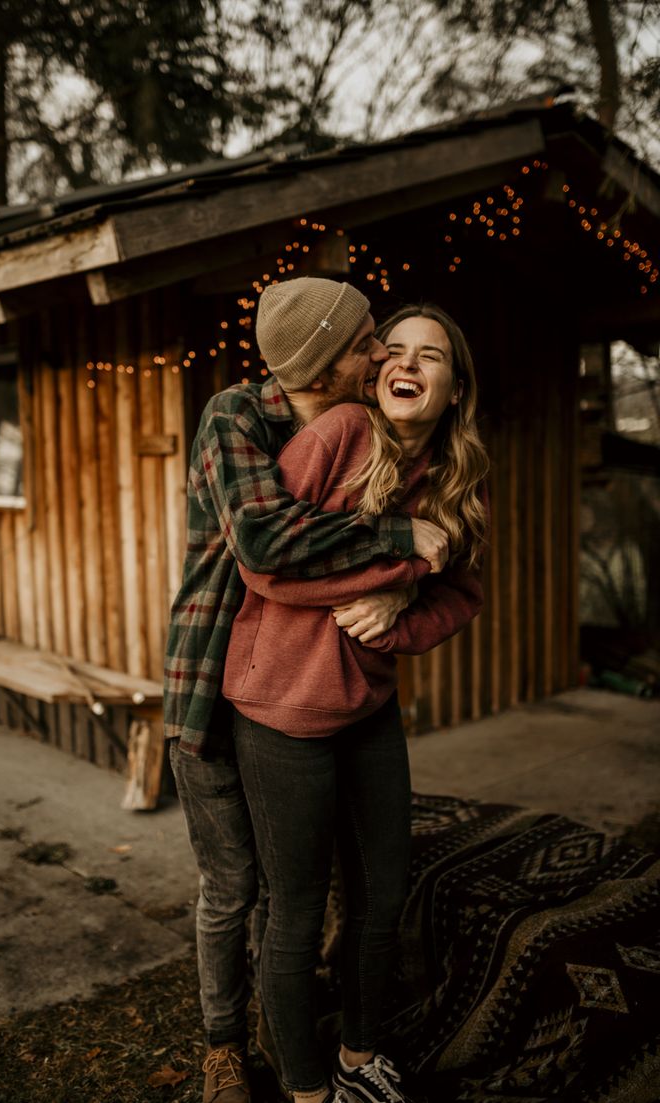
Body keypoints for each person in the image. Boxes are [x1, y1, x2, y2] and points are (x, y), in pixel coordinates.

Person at [164, 278, 450, 1103]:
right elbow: (264, 541)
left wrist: (402, 592)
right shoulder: (238, 415)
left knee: (291, 892)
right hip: (212, 682)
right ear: (327, 360)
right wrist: (400, 540)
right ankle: (225, 1043)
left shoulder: (356, 423)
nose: (382, 353)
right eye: (368, 341)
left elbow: (449, 553)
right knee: (235, 885)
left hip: (300, 679)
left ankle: (281, 1025)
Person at [222, 303, 489, 1103]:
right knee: (297, 911)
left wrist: (403, 617)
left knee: (382, 894)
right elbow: (263, 564)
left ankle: (357, 1055)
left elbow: (466, 593)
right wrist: (394, 569)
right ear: (375, 374)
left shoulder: (455, 472)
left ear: (453, 384)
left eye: (430, 355)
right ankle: (306, 1087)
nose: (406, 362)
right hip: (280, 713)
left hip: (368, 709)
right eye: (394, 349)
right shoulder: (339, 433)